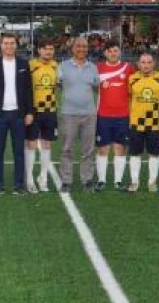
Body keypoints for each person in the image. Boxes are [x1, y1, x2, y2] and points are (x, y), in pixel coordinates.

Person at [0, 33, 34, 194]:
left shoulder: (24, 64)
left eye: (12, 43)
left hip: (18, 115)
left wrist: (30, 112)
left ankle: (19, 186)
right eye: (6, 43)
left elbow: (28, 90)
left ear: (16, 45)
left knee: (19, 151)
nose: (9, 46)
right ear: (1, 45)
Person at [57, 36, 99, 192]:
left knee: (88, 149)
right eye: (78, 46)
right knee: (67, 148)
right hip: (68, 114)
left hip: (89, 114)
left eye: (85, 46)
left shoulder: (93, 67)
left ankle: (87, 180)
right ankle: (66, 181)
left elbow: (96, 88)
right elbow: (58, 85)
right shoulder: (63, 66)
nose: (82, 49)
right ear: (73, 48)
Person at [125, 52, 159, 193]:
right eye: (143, 62)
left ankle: (152, 182)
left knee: (154, 153)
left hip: (154, 123)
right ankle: (134, 182)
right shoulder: (132, 79)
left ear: (153, 64)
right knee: (135, 153)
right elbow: (129, 96)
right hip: (136, 122)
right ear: (138, 64)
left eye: (149, 62)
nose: (146, 65)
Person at [95, 40, 133, 192]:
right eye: (110, 51)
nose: (113, 53)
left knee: (120, 148)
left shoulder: (128, 68)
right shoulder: (98, 69)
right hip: (103, 115)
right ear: (105, 53)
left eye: (115, 50)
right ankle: (101, 180)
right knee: (103, 149)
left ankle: (118, 181)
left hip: (123, 115)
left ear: (119, 52)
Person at [27, 42, 60, 193]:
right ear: (39, 50)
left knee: (47, 144)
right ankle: (29, 179)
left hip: (50, 110)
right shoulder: (31, 65)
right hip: (34, 110)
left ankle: (43, 178)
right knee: (32, 144)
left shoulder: (56, 66)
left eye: (51, 48)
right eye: (45, 48)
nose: (48, 51)